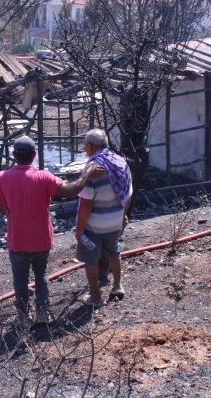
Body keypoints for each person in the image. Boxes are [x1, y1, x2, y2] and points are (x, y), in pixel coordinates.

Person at [0, 135, 102, 327]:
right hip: (41, 238)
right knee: (41, 274)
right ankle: (42, 313)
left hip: (17, 239)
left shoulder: (1, 177)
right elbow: (71, 191)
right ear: (34, 155)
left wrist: (5, 207)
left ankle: (23, 318)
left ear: (14, 155)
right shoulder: (44, 177)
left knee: (20, 279)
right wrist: (88, 172)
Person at [75, 129, 132, 306]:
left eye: (85, 146)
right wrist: (123, 216)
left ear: (91, 146)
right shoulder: (120, 162)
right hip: (115, 221)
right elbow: (128, 193)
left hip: (95, 225)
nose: (85, 149)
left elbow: (86, 204)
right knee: (114, 251)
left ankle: (96, 297)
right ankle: (117, 285)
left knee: (90, 259)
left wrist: (79, 228)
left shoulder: (94, 168)